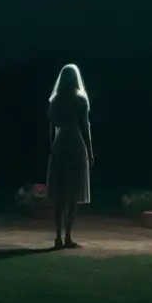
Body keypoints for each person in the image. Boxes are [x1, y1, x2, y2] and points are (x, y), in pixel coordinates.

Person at [46, 64, 94, 248]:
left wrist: (52, 147)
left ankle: (58, 236)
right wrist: (90, 152)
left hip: (61, 143)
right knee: (72, 192)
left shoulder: (56, 100)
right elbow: (85, 127)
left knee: (60, 192)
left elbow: (51, 126)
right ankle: (68, 236)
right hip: (75, 142)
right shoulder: (80, 100)